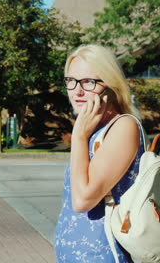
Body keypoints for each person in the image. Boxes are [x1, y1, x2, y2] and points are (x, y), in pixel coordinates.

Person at [54, 44, 146, 262]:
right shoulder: (92, 130)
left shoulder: (122, 127)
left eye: (88, 82)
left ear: (110, 86)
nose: (77, 91)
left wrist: (78, 137)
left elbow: (83, 199)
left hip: (103, 255)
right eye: (71, 81)